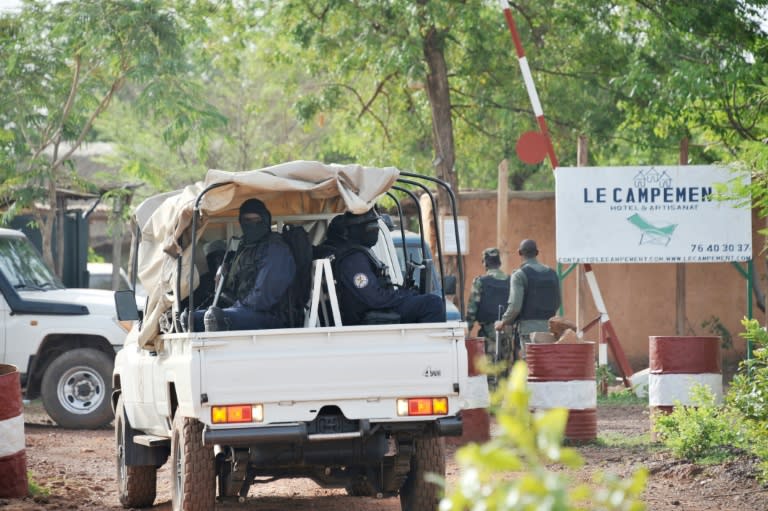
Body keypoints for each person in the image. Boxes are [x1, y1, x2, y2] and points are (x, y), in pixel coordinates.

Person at [323, 209, 445, 325]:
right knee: (433, 303)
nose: (375, 231)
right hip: (370, 314)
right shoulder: (353, 260)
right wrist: (404, 295)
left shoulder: (356, 254)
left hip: (374, 310)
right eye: (371, 227)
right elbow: (375, 298)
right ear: (356, 230)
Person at [193, 198, 296, 331]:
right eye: (247, 221)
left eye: (256, 220)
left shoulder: (276, 250)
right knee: (191, 319)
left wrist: (235, 307)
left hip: (269, 314)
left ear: (266, 220)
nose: (252, 225)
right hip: (243, 310)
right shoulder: (244, 248)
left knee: (214, 318)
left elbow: (262, 298)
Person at [494, 239, 560, 359]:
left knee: (532, 366)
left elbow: (515, 306)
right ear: (537, 252)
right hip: (550, 329)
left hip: (528, 332)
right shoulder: (552, 273)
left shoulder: (519, 275)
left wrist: (503, 322)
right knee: (547, 365)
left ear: (520, 253)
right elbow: (557, 302)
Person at [466, 247, 513, 365]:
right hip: (508, 331)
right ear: (499, 263)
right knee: (505, 369)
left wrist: (467, 331)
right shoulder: (511, 280)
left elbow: (472, 309)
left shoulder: (480, 281)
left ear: (485, 263)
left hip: (488, 333)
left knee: (491, 369)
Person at [191, 239, 227, 308]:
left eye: (220, 257)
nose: (217, 260)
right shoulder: (202, 281)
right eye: (213, 257)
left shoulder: (231, 278)